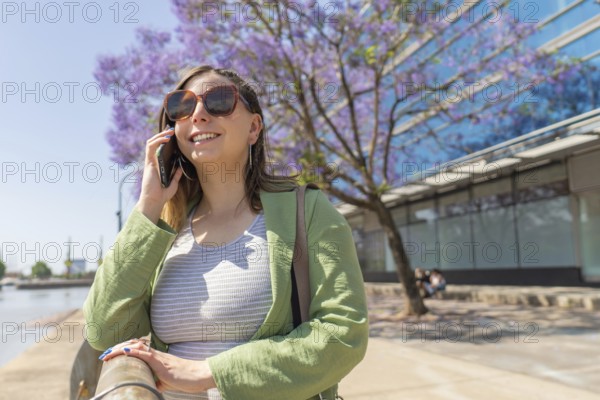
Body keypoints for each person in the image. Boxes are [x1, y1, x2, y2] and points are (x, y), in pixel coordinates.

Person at [83, 65, 369, 400]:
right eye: (182, 107)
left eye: (219, 101)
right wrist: (148, 205)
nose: (199, 114)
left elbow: (343, 334)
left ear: (254, 127)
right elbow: (103, 329)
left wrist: (208, 372)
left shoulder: (308, 211)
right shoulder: (166, 232)